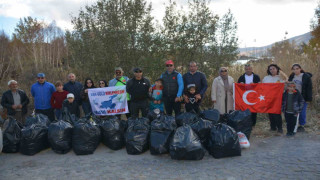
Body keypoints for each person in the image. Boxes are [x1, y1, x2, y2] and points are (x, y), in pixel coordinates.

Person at [262, 64, 288, 133]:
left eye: (273, 68)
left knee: (277, 113)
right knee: (270, 113)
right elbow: (262, 87)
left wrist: (285, 83)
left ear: (277, 69)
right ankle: (273, 127)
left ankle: (280, 128)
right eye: (270, 69)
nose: (272, 70)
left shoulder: (281, 77)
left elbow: (285, 88)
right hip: (269, 98)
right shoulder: (266, 78)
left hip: (278, 98)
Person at [288, 63, 312, 132]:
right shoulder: (292, 76)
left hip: (302, 97)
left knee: (302, 112)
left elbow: (309, 88)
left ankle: (301, 125)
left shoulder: (305, 76)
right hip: (293, 97)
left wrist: (308, 99)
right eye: (294, 69)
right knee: (294, 111)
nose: (295, 70)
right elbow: (289, 86)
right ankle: (295, 124)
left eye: (297, 69)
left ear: (300, 69)